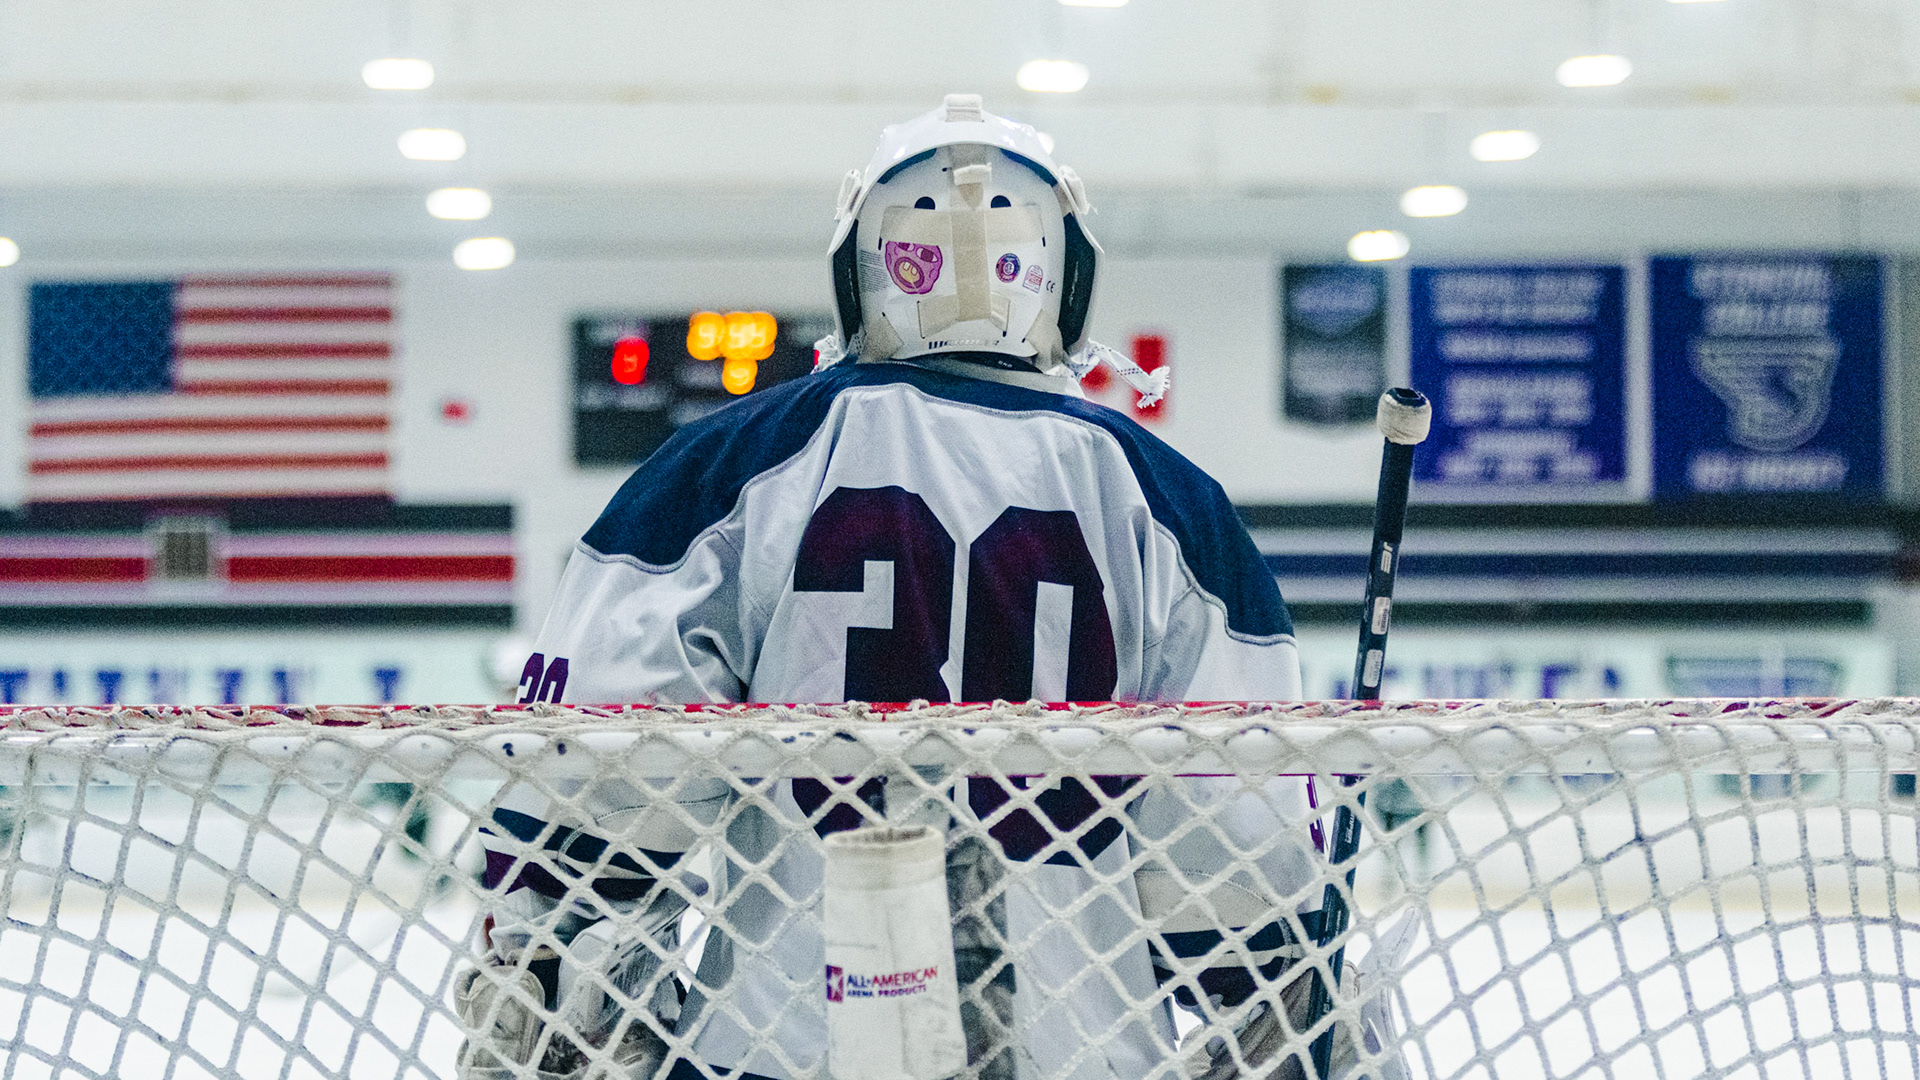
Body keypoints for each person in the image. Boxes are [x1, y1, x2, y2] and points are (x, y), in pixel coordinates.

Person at [457, 94, 1334, 1080]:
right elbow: (1237, 852)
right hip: (1083, 1053)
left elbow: (601, 779)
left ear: (859, 267)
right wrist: (1274, 991)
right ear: (1064, 272)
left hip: (783, 1047)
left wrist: (547, 956)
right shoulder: (1176, 505)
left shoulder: (726, 466)